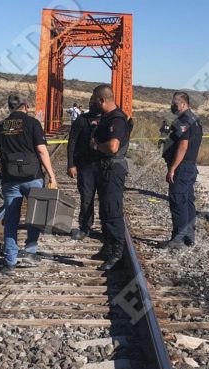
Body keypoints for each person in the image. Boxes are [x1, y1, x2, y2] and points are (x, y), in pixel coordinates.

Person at [0, 94, 57, 275]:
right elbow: (41, 151)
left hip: (10, 180)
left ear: (10, 107)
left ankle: (10, 263)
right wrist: (51, 176)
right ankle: (30, 252)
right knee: (35, 215)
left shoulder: (1, 126)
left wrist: (3, 165)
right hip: (33, 177)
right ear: (25, 106)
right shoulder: (33, 124)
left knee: (11, 221)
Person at [89, 84, 133, 271]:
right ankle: (108, 247)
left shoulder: (117, 119)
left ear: (102, 100)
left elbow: (113, 147)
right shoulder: (108, 118)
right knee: (105, 211)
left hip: (113, 169)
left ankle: (117, 252)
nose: (94, 105)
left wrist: (96, 146)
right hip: (105, 168)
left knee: (112, 212)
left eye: (95, 101)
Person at [162, 92, 203, 249]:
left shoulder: (184, 121)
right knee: (187, 202)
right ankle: (189, 237)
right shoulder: (195, 120)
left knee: (178, 201)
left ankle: (178, 239)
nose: (173, 107)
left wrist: (172, 168)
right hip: (190, 167)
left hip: (182, 167)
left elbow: (183, 146)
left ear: (184, 104)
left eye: (175, 104)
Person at [67, 96, 101, 241]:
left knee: (106, 199)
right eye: (91, 103)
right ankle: (85, 227)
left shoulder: (109, 119)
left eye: (96, 103)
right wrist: (71, 164)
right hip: (85, 166)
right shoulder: (81, 120)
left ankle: (107, 229)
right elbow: (72, 143)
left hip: (104, 165)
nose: (93, 105)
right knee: (86, 198)